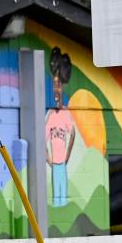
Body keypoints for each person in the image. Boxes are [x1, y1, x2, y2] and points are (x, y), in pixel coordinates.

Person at [45, 47, 76, 207]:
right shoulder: (50, 114)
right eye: (54, 84)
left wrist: (68, 156)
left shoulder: (66, 114)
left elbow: (73, 134)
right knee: (56, 194)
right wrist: (47, 157)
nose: (56, 89)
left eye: (58, 85)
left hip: (62, 163)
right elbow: (42, 138)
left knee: (63, 193)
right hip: (55, 163)